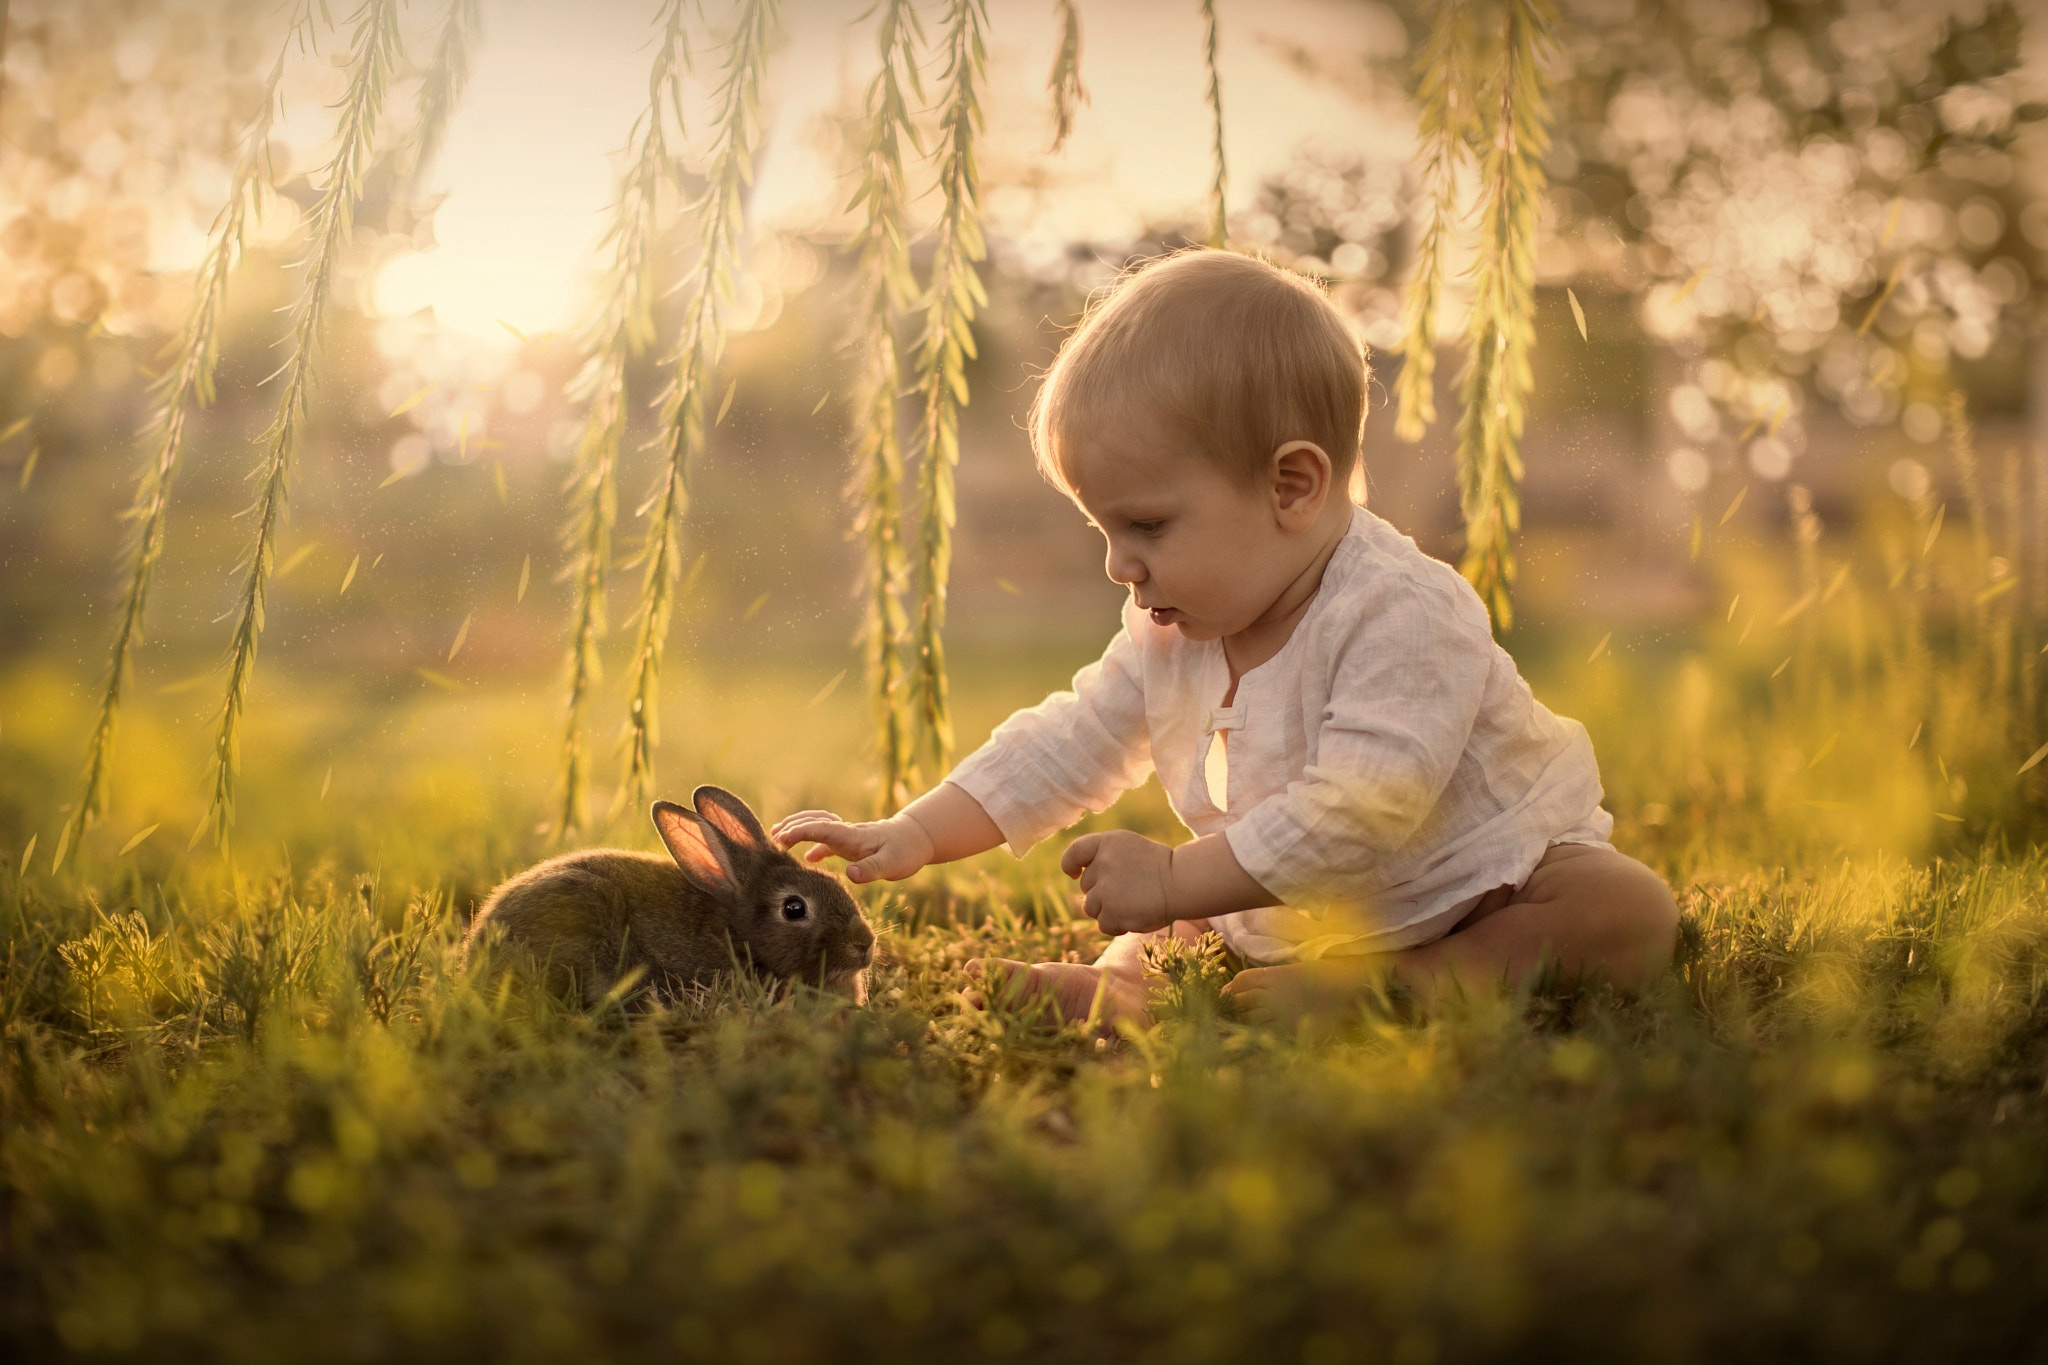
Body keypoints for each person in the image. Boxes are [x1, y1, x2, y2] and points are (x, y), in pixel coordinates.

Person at [772, 248, 1679, 1029]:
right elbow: (1072, 736)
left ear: (1291, 487)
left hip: (1470, 888)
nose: (1120, 568)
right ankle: (1126, 988)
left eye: (1149, 528)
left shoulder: (1405, 612)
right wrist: (918, 830)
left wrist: (1176, 879)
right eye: (1105, 534)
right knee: (1177, 924)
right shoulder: (1177, 627)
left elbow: (1368, 806)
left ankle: (1407, 986)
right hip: (1282, 901)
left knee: (1620, 906)